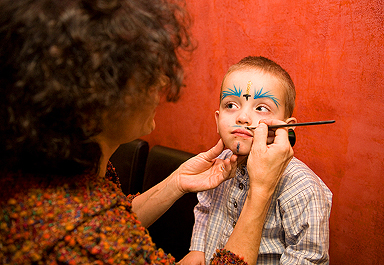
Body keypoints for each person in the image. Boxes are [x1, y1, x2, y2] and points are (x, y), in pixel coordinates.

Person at [0, 1, 294, 265]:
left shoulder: (63, 171)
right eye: (144, 72)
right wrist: (261, 191)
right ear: (93, 98)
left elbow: (111, 218)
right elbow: (98, 231)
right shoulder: (84, 239)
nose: (162, 82)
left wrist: (176, 183)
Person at [181, 56, 333, 264]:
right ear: (217, 121)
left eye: (261, 108)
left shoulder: (302, 188)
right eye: (231, 104)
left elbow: (308, 257)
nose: (242, 117)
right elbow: (205, 208)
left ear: (286, 128)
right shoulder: (219, 164)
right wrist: (197, 250)